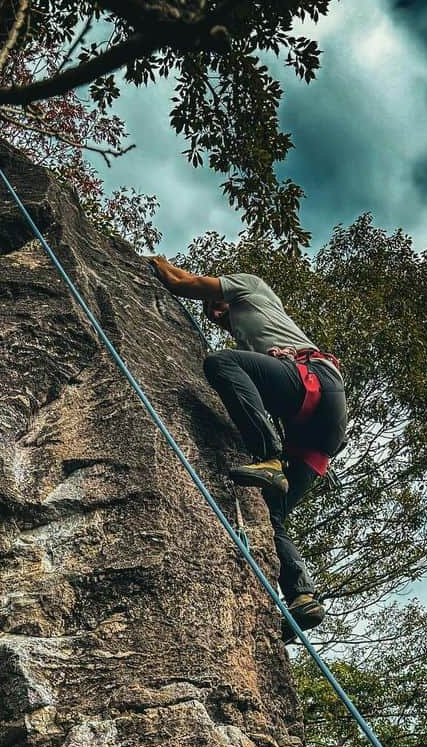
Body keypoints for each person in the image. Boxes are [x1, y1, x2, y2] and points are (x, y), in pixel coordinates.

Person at [149, 257, 348, 640]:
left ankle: (268, 455)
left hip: (316, 384)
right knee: (271, 515)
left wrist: (154, 264)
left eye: (216, 302)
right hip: (318, 436)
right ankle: (302, 596)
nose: (214, 311)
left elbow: (182, 282)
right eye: (211, 310)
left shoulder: (249, 285)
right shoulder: (253, 334)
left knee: (222, 364)